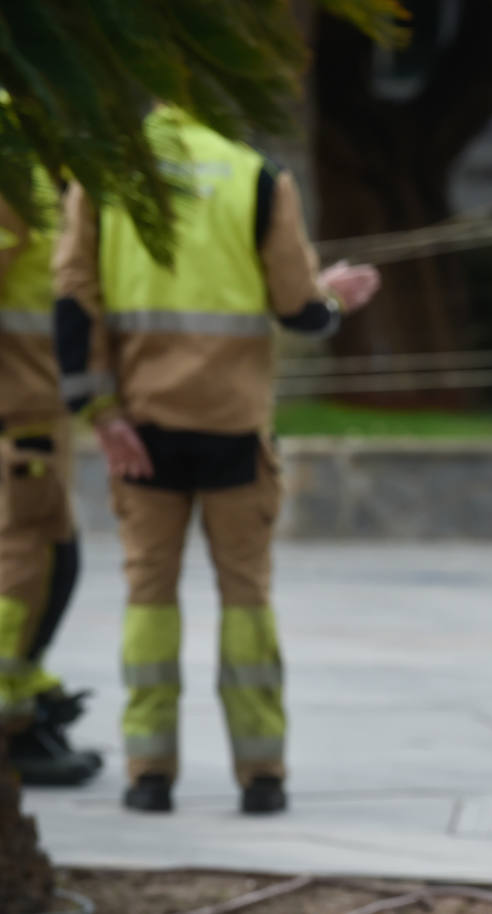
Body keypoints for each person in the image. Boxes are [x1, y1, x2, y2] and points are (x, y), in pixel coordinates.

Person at [53, 105, 380, 814]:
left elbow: (73, 301)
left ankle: (149, 775)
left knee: (148, 595)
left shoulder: (102, 179)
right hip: (232, 431)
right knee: (245, 597)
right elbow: (299, 310)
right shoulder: (257, 178)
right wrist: (336, 297)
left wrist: (101, 414)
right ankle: (262, 777)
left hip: (139, 433)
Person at [0, 169, 102, 786]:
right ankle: (10, 723)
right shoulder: (12, 165)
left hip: (39, 408)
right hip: (18, 411)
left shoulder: (37, 163)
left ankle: (27, 700)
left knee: (55, 559)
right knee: (32, 562)